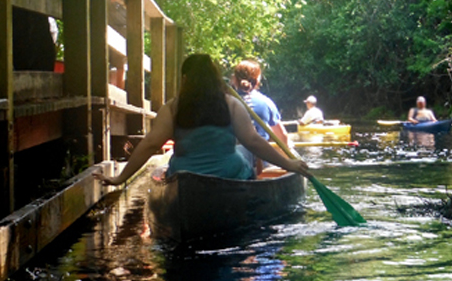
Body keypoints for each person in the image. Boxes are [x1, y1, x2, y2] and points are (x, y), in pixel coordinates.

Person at [93, 54, 309, 186]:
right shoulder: (232, 104)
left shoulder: (172, 108)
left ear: (185, 79)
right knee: (245, 152)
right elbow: (253, 142)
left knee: (243, 151)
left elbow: (150, 144)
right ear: (215, 78)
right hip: (228, 174)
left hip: (185, 176)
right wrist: (288, 163)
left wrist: (121, 178)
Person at [232, 59, 289, 146]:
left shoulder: (225, 102)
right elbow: (282, 136)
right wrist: (288, 150)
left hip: (232, 155)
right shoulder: (265, 102)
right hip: (260, 155)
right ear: (257, 80)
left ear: (234, 79)